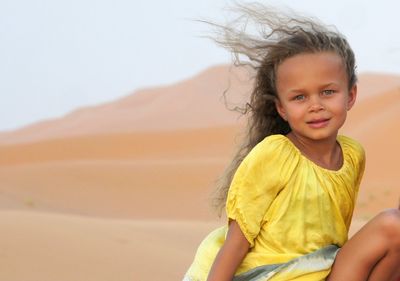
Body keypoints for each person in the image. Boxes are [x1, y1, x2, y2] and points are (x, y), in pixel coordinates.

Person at [183, 3, 400, 281]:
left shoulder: (353, 154)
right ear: (282, 109)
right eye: (300, 97)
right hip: (271, 276)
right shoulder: (274, 155)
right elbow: (235, 244)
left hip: (322, 271)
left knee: (395, 228)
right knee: (391, 224)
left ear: (351, 95)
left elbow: (335, 241)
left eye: (328, 92)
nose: (315, 106)